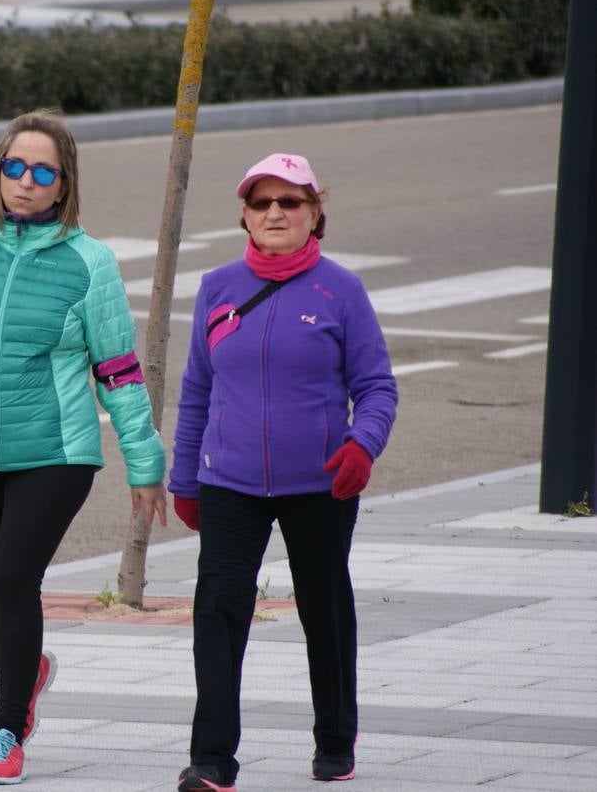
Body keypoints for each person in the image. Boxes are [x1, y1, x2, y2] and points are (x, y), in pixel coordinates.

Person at [0, 109, 167, 786]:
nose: (25, 181)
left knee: (12, 578)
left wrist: (144, 462)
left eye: (41, 171)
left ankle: (5, 730)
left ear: (63, 184)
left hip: (57, 452)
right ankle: (32, 670)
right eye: (14, 166)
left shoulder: (89, 263)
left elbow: (118, 369)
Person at [170, 153, 398, 792]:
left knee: (323, 607)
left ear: (314, 214)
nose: (275, 212)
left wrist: (362, 446)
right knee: (217, 610)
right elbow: (196, 391)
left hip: (320, 483)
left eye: (290, 202)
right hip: (228, 483)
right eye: (262, 202)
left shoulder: (341, 290)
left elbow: (377, 387)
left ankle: (335, 739)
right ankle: (211, 759)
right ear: (243, 214)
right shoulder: (217, 287)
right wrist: (184, 478)